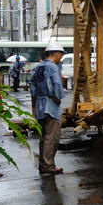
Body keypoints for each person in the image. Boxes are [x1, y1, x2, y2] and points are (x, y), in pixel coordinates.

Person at [28, 43, 66, 175]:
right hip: (50, 106)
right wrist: (58, 97)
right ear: (56, 54)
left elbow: (32, 83)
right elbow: (56, 84)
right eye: (61, 55)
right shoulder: (53, 67)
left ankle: (43, 164)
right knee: (52, 136)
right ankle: (48, 166)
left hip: (40, 105)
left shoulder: (39, 67)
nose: (60, 58)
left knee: (44, 136)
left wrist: (36, 99)